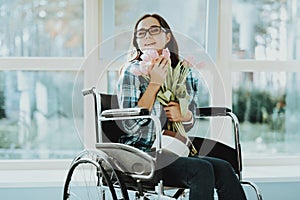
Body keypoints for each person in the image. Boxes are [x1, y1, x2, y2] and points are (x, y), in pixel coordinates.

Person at [117, 13, 247, 200]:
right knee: (201, 170)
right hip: (143, 153)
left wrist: (184, 116)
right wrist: (154, 84)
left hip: (175, 147)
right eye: (141, 33)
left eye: (154, 30)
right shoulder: (132, 71)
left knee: (224, 168)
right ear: (136, 42)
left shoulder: (183, 71)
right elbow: (130, 125)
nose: (147, 36)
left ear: (167, 36)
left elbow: (189, 119)